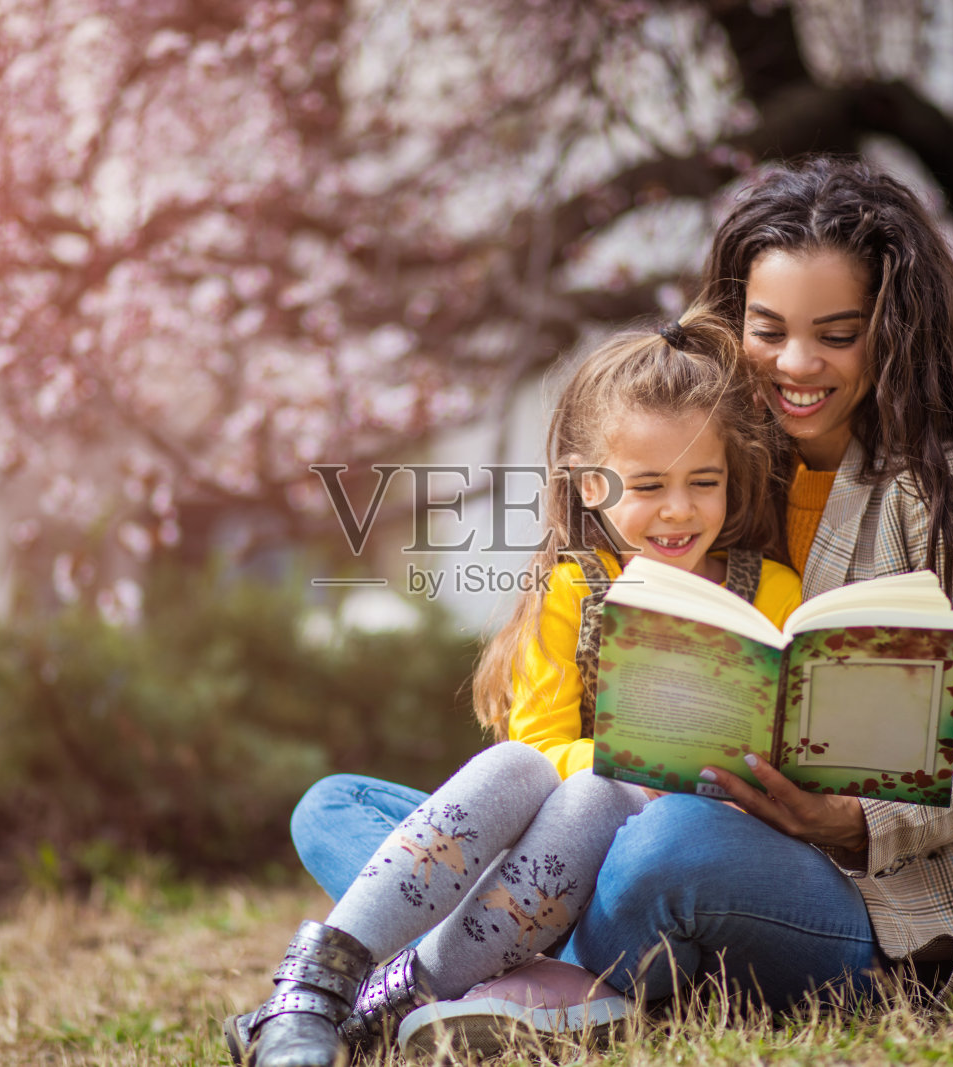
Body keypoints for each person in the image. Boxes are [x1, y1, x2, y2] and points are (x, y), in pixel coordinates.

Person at [291, 155, 953, 1032]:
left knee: (660, 851)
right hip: (609, 829)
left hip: (855, 890)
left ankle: (498, 968)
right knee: (339, 809)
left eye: (837, 335)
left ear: (893, 332)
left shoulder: (943, 491)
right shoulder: (718, 469)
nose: (796, 363)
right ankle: (550, 978)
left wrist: (848, 818)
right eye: (768, 330)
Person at [228, 305, 803, 1067]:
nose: (678, 508)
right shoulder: (574, 587)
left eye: (705, 481)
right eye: (649, 484)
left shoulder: (771, 591)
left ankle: (391, 989)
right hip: (544, 861)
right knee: (341, 801)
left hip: (642, 884)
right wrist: (626, 759)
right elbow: (537, 743)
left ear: (735, 479)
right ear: (593, 487)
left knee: (601, 798)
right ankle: (332, 983)